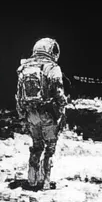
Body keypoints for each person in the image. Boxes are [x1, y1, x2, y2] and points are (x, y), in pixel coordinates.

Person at [15, 37, 68, 190]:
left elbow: (19, 95)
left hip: (31, 114)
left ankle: (31, 179)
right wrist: (61, 110)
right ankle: (45, 181)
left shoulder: (24, 68)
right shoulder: (52, 68)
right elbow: (58, 93)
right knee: (50, 147)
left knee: (36, 146)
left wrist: (22, 115)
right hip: (48, 113)